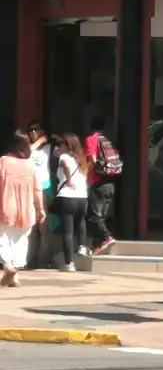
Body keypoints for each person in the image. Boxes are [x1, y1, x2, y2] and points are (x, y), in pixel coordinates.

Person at [0, 130, 46, 287]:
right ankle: (15, 274)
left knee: (3, 238)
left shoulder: (3, 162)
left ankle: (8, 267)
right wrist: (40, 209)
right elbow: (37, 190)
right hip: (26, 210)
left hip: (5, 208)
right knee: (21, 241)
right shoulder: (30, 166)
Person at [54, 134, 90, 272]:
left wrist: (68, 179)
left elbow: (65, 165)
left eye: (61, 143)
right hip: (82, 198)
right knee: (80, 221)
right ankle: (82, 246)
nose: (59, 146)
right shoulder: (82, 159)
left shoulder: (64, 156)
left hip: (67, 197)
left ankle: (69, 264)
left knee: (67, 232)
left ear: (67, 145)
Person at [84, 115, 119, 254]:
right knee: (101, 216)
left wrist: (86, 177)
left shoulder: (91, 139)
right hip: (110, 182)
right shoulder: (107, 140)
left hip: (98, 182)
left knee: (93, 216)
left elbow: (92, 160)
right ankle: (97, 246)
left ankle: (106, 238)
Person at [25, 122, 53, 269]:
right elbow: (27, 151)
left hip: (43, 188)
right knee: (31, 227)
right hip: (28, 189)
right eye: (30, 130)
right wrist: (39, 140)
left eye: (36, 129)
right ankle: (29, 259)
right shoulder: (27, 147)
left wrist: (44, 140)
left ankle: (43, 260)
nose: (33, 132)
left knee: (43, 227)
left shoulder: (48, 148)